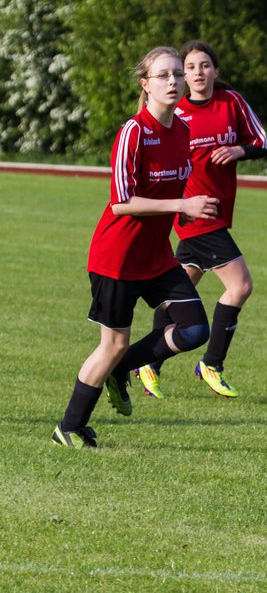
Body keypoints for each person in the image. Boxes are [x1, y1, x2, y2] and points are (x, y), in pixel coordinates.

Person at [52, 46, 219, 448]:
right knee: (114, 344)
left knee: (195, 328)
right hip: (117, 258)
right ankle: (69, 428)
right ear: (145, 84)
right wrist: (182, 204)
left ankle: (117, 369)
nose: (174, 81)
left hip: (156, 257)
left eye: (178, 74)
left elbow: (169, 192)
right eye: (163, 75)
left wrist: (189, 213)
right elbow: (121, 201)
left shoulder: (182, 130)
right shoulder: (134, 131)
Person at [132, 40, 267, 401]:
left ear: (216, 71)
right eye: (189, 67)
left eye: (204, 66)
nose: (196, 73)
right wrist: (176, 202)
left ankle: (148, 362)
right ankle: (212, 364)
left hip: (218, 212)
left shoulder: (232, 102)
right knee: (240, 286)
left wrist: (239, 149)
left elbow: (262, 142)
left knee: (177, 295)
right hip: (196, 215)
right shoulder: (174, 113)